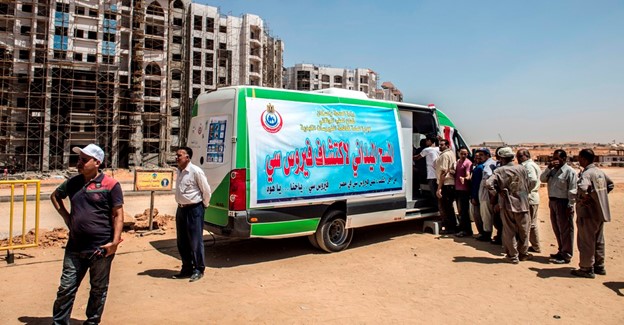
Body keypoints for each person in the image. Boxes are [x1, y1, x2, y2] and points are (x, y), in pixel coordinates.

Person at [50, 144, 124, 324]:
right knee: (66, 288)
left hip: (101, 249)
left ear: (97, 162)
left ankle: (92, 321)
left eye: (84, 160)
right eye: (79, 159)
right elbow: (55, 196)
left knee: (98, 288)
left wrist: (114, 244)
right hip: (75, 247)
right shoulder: (73, 182)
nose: (79, 163)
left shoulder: (111, 185)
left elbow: (118, 214)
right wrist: (67, 219)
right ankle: (59, 322)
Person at [486, 147, 534, 264]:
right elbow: (529, 183)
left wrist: (497, 191)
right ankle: (523, 253)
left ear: (501, 158)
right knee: (524, 231)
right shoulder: (522, 168)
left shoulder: (499, 171)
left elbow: (488, 184)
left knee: (509, 231)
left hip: (507, 204)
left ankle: (512, 256)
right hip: (523, 203)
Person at [571, 149, 614, 278]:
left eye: (579, 158)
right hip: (600, 211)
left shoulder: (587, 174)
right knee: (599, 239)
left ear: (584, 159)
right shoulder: (599, 172)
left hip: (588, 213)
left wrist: (587, 198)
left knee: (586, 240)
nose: (578, 160)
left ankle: (586, 268)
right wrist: (599, 197)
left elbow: (583, 188)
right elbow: (610, 185)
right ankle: (599, 265)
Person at [173, 146, 212, 282]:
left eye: (179, 155)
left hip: (194, 209)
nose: (176, 157)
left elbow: (206, 191)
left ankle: (199, 269)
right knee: (182, 241)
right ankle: (187, 268)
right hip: (181, 209)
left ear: (187, 157)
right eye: (176, 155)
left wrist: (203, 206)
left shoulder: (196, 171)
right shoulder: (179, 171)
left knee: (195, 241)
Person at [540, 149, 577, 264]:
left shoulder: (569, 172)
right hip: (553, 202)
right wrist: (548, 168)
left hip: (563, 203)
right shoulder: (552, 171)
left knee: (566, 230)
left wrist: (570, 205)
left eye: (557, 158)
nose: (555, 160)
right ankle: (561, 250)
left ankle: (566, 254)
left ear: (564, 159)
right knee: (557, 228)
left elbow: (573, 190)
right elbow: (542, 179)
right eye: (553, 158)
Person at [516, 149, 542, 253]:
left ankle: (529, 247)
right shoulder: (532, 164)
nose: (518, 159)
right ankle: (535, 246)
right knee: (531, 223)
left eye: (519, 157)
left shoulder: (528, 166)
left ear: (525, 156)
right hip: (532, 196)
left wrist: (526, 190)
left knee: (528, 223)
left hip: (529, 197)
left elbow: (533, 180)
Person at [435, 139, 457, 234]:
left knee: (446, 207)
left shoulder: (445, 155)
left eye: (442, 145)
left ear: (447, 145)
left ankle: (450, 228)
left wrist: (439, 188)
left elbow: (443, 172)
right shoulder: (451, 153)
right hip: (450, 184)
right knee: (449, 207)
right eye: (439, 145)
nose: (440, 146)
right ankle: (452, 226)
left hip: (446, 184)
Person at [477, 148, 497, 242]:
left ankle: (487, 234)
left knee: (486, 214)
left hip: (486, 194)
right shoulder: (490, 163)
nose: (479, 157)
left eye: (482, 155)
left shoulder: (488, 165)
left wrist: (492, 193)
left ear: (487, 155)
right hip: (487, 193)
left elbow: (488, 180)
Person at [454, 147, 473, 237]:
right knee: (460, 210)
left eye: (465, 154)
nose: (463, 155)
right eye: (462, 153)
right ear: (458, 153)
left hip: (464, 189)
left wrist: (464, 178)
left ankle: (466, 230)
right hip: (458, 188)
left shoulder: (467, 163)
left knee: (464, 211)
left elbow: (468, 175)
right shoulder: (458, 162)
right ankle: (462, 228)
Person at [469, 150, 486, 238]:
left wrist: (474, 197)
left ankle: (482, 233)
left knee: (477, 215)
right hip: (477, 193)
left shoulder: (479, 168)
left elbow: (476, 184)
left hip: (477, 194)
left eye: (479, 157)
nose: (477, 158)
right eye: (476, 157)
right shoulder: (477, 167)